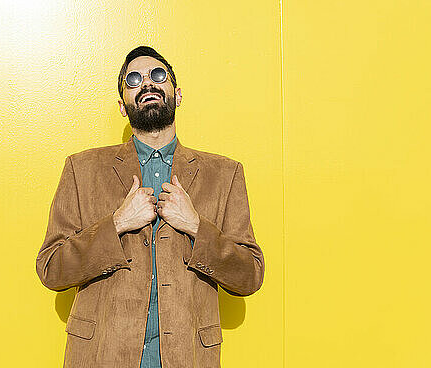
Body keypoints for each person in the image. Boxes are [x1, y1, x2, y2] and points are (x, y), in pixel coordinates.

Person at [36, 45, 265, 368]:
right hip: (102, 356)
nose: (147, 83)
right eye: (133, 80)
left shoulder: (224, 175)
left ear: (178, 94)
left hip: (190, 358)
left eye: (158, 75)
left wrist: (196, 226)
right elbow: (51, 268)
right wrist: (116, 223)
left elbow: (250, 275)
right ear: (122, 106)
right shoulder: (81, 169)